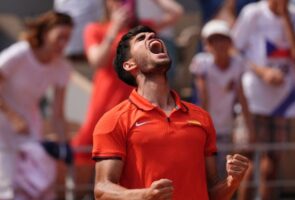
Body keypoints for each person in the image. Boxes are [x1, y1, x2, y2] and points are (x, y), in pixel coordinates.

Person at [92, 25, 249, 200]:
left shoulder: (202, 118)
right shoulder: (113, 120)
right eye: (141, 39)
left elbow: (212, 194)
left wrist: (233, 181)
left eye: (153, 35)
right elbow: (102, 190)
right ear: (130, 64)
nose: (151, 37)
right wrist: (145, 195)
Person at [232, 0, 295, 199]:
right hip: (252, 100)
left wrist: (285, 17)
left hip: (284, 101)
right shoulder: (252, 13)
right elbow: (234, 49)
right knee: (245, 162)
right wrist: (262, 72)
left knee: (271, 165)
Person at [0, 11, 73, 200]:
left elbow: (57, 114)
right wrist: (13, 117)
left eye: (68, 38)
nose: (63, 44)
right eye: (60, 37)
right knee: (7, 184)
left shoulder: (62, 67)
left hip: (29, 126)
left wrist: (64, 147)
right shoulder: (20, 53)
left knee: (39, 180)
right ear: (45, 33)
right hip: (3, 122)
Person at [71, 0, 137, 164]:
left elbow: (175, 13)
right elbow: (97, 61)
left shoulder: (138, 31)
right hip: (104, 103)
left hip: (132, 106)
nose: (122, 4)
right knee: (86, 148)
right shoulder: (95, 28)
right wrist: (114, 28)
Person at [189, 19, 254, 179]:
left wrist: (249, 127)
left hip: (225, 127)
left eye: (222, 39)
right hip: (206, 127)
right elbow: (203, 96)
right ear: (207, 44)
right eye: (214, 40)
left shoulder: (238, 64)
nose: (219, 44)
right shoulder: (202, 63)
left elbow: (242, 96)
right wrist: (202, 127)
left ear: (230, 42)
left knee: (222, 172)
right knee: (206, 171)